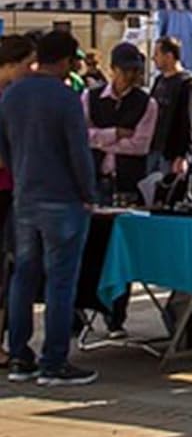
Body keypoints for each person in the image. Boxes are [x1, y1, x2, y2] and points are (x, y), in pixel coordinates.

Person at [0, 30, 99, 386]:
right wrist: (89, 192)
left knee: (23, 276)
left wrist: (21, 173)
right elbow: (78, 152)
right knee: (60, 280)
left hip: (25, 196)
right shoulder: (66, 97)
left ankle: (19, 356)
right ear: (67, 60)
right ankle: (54, 361)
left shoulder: (12, 94)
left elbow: (4, 147)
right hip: (62, 199)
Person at [0, 34, 38, 357]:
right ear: (11, 64)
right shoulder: (7, 97)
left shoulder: (12, 94)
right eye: (27, 64)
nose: (31, 70)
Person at [84, 43, 158, 206]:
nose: (130, 75)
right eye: (125, 70)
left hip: (129, 181)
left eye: (135, 71)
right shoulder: (90, 97)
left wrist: (99, 141)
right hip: (95, 178)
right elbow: (82, 136)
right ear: (113, 69)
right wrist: (115, 133)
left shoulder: (147, 103)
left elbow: (140, 146)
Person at [148, 37, 192, 179]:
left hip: (172, 153)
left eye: (157, 54)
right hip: (154, 149)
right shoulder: (159, 81)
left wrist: (184, 155)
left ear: (169, 56)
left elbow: (190, 121)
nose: (153, 58)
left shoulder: (188, 84)